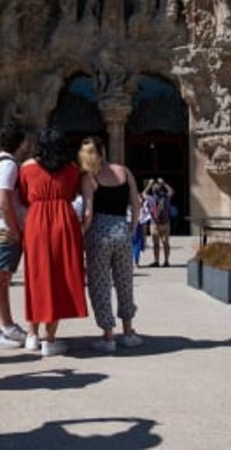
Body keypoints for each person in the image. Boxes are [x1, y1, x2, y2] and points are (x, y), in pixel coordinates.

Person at [18, 127, 88, 356]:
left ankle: (31, 334)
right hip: (64, 222)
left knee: (35, 276)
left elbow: (23, 196)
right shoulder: (71, 170)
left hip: (36, 221)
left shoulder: (26, 168)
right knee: (59, 278)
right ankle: (49, 338)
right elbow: (75, 195)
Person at [78, 136, 144, 354]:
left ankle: (108, 335)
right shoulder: (124, 172)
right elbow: (137, 204)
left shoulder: (89, 177)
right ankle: (128, 331)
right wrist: (132, 228)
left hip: (98, 232)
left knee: (100, 284)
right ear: (104, 150)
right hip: (121, 230)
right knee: (124, 280)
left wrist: (80, 234)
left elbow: (87, 213)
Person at [0, 126, 30, 350]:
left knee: (3, 279)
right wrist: (14, 229)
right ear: (20, 144)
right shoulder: (9, 165)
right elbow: (3, 200)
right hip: (4, 228)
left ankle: (7, 324)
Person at [146, 178, 174, 267]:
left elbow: (143, 194)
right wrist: (164, 183)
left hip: (154, 224)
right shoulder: (166, 198)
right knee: (166, 243)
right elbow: (171, 191)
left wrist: (149, 185)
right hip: (165, 223)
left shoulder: (151, 199)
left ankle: (156, 261)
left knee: (156, 244)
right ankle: (166, 261)